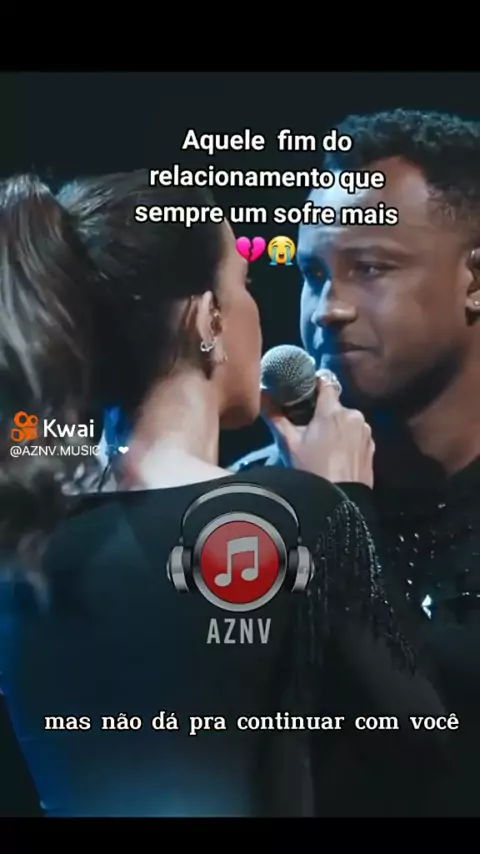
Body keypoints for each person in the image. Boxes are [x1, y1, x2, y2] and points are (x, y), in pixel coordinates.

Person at [0, 170, 448, 817]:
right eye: (243, 284)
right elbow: (423, 740)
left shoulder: (26, 534)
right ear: (208, 316)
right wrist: (349, 503)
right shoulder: (298, 514)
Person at [233, 108, 480, 816]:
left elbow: (445, 768)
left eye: (370, 269)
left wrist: (340, 514)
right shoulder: (257, 497)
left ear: (474, 279)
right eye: (313, 274)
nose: (327, 309)